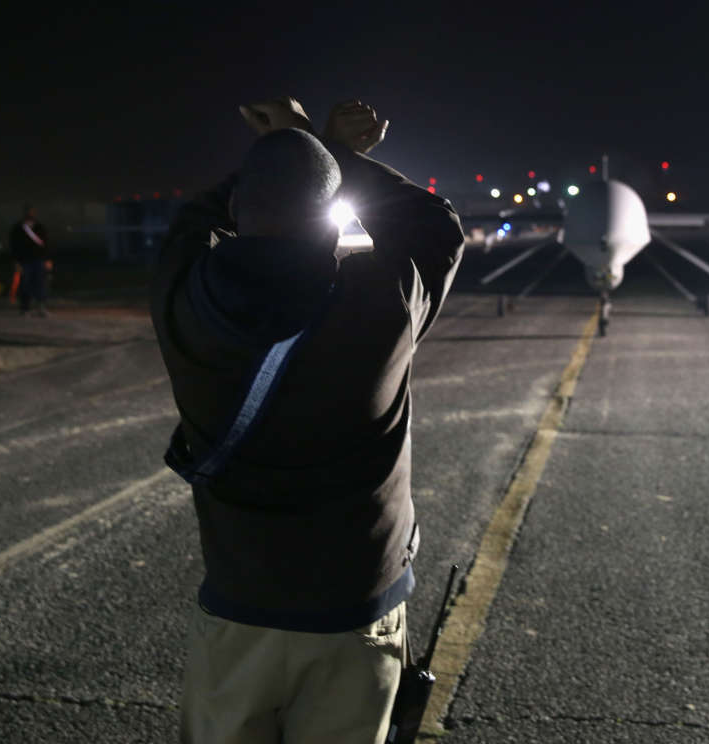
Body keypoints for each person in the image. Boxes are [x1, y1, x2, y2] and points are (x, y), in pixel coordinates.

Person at [150, 97, 464, 744]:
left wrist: (294, 151)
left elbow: (190, 222)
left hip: (239, 609)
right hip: (355, 610)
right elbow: (436, 224)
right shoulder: (383, 305)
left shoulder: (183, 301)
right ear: (330, 220)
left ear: (237, 213)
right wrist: (327, 149)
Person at [8, 203, 51, 316]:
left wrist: (47, 259)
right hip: (24, 261)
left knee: (40, 283)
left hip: (38, 260)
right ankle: (25, 307)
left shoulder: (39, 227)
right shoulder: (18, 229)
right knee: (25, 284)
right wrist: (16, 261)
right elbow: (14, 246)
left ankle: (40, 306)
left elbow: (45, 244)